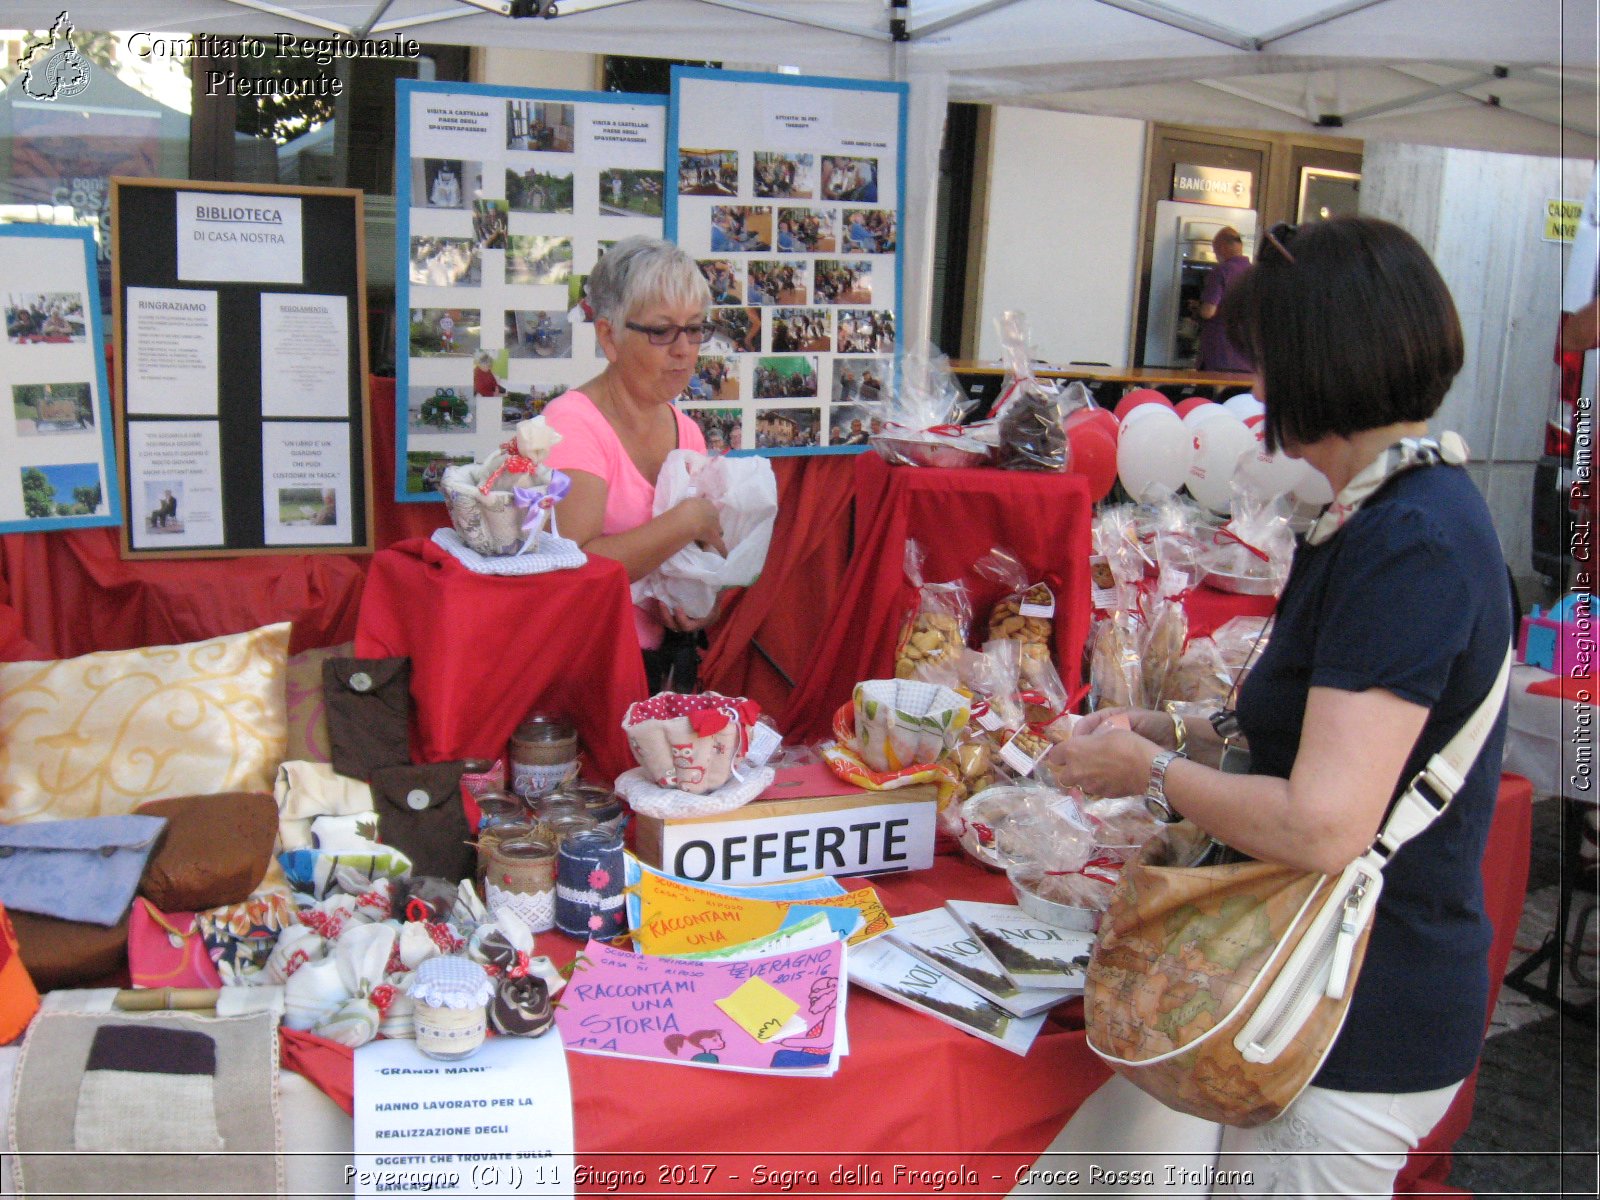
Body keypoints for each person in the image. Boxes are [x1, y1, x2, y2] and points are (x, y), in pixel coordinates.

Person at [1047, 217, 1511, 1198]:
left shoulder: (1410, 543)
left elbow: (1320, 820)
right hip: (1322, 992)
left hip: (1353, 1009)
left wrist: (1152, 776)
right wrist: (1160, 728)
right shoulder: (1378, 516)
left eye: (1268, 363)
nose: (1254, 392)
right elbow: (1288, 736)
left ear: (1318, 364)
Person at [544, 237, 727, 693]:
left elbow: (707, 559)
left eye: (695, 328)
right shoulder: (572, 423)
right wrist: (686, 522)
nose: (684, 350)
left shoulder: (687, 431)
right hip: (589, 671)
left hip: (662, 671)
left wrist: (702, 606)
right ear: (609, 336)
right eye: (662, 331)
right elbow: (576, 567)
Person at [1196, 226, 1252, 371]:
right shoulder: (1255, 273)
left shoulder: (1222, 271)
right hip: (1246, 357)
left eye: (1215, 251)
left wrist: (1197, 308)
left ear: (1222, 247)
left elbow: (1208, 312)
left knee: (1216, 393)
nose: (1215, 255)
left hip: (1220, 353)